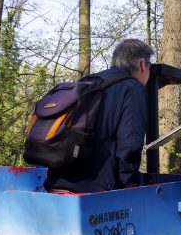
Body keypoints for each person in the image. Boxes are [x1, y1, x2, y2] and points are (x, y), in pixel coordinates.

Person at [45, 39, 153, 193]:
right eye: (150, 66)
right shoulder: (133, 88)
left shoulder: (88, 82)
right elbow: (130, 144)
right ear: (142, 64)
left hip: (56, 181)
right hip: (95, 190)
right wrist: (129, 187)